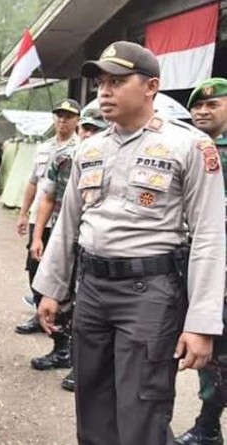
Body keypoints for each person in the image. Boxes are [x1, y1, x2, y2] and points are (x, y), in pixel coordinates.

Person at [34, 41, 225, 445]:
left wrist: (202, 323)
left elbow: (209, 235)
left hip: (150, 295)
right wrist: (51, 288)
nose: (104, 91)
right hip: (93, 291)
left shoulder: (189, 145)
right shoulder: (89, 148)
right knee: (93, 406)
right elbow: (69, 223)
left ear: (151, 87)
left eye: (117, 81)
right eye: (102, 82)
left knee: (141, 413)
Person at [30, 106, 106, 392]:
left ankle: (79, 362)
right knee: (56, 298)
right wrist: (37, 237)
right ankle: (62, 349)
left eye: (94, 129)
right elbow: (47, 198)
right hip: (63, 237)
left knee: (85, 306)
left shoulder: (111, 160)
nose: (88, 134)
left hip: (93, 246)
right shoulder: (63, 159)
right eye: (85, 128)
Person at [175, 77, 227, 445]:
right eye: (198, 106)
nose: (203, 111)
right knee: (209, 350)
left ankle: (208, 425)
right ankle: (208, 425)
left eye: (213, 104)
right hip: (196, 262)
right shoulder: (189, 148)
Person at [15, 100, 80, 336]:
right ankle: (38, 310)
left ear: (77, 120)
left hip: (64, 220)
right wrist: (23, 213)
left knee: (61, 265)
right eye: (59, 116)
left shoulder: (80, 148)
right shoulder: (44, 147)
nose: (62, 120)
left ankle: (60, 316)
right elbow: (34, 183)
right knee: (34, 263)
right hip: (40, 217)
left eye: (68, 116)